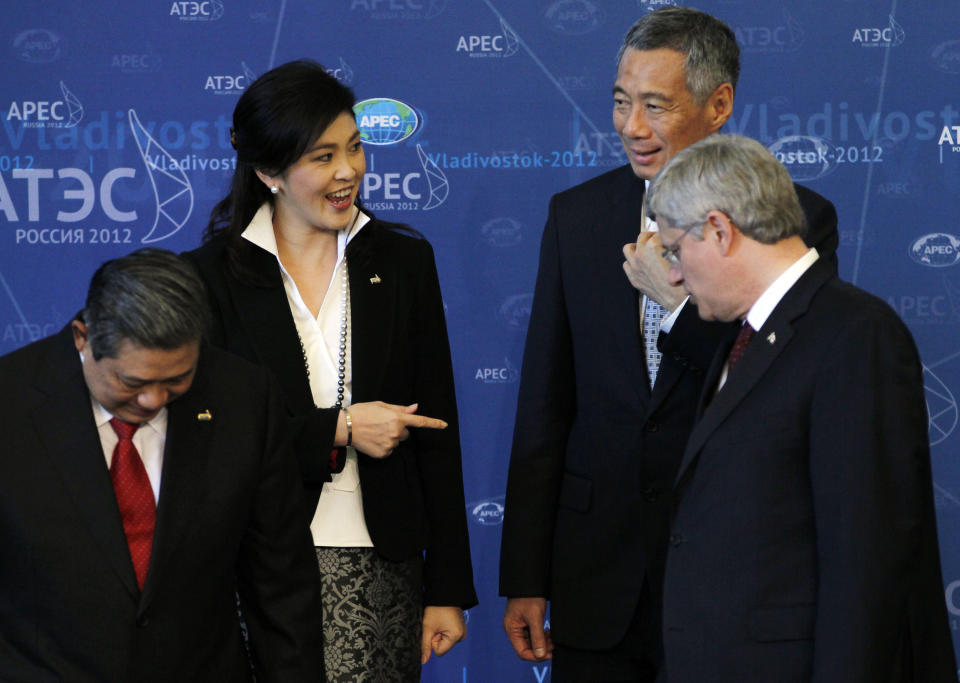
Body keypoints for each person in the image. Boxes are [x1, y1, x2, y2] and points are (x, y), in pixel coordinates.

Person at [499, 7, 839, 682]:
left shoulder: (794, 221)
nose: (631, 127)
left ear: (719, 105)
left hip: (731, 573)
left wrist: (678, 305)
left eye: (655, 105)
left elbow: (776, 387)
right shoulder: (577, 216)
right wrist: (526, 575)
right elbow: (546, 400)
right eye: (622, 103)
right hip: (598, 574)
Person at [186, 59, 477, 682]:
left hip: (385, 563)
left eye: (353, 147)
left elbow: (436, 428)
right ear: (270, 172)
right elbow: (209, 437)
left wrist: (446, 587)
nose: (348, 171)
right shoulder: (208, 279)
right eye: (322, 157)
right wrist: (338, 429)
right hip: (253, 563)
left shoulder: (402, 262)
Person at [648, 132, 956, 682]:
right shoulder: (741, 337)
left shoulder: (855, 335)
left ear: (719, 231)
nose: (672, 274)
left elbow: (866, 564)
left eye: (674, 251)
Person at [0, 248, 324, 682]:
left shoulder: (244, 398)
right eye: (131, 383)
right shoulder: (11, 402)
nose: (153, 402)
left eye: (176, 380)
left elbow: (281, 583)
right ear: (83, 337)